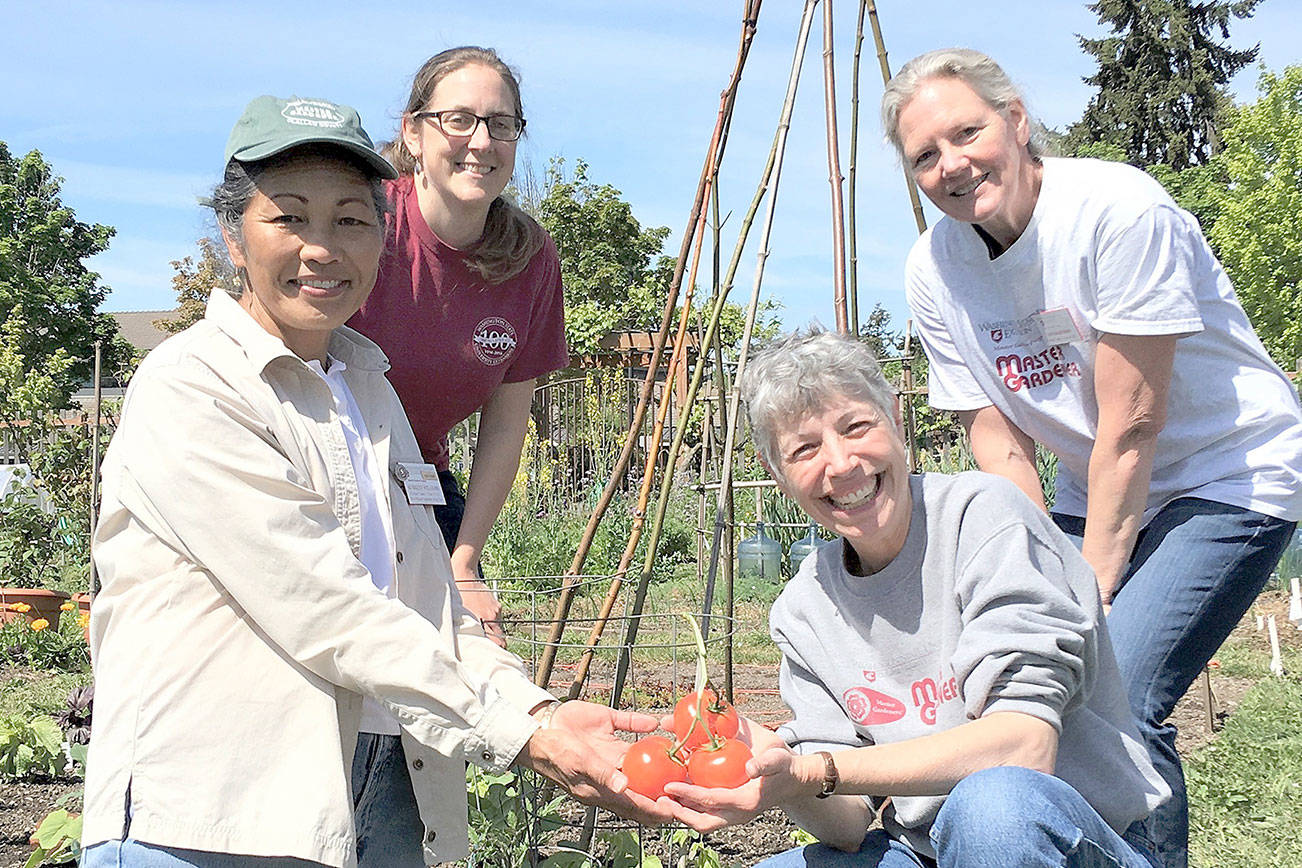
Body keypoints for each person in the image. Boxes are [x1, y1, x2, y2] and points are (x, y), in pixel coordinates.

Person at [81, 95, 671, 868]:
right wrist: (523, 735)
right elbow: (320, 601)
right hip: (209, 813)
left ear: (382, 239)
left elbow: (427, 600)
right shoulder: (192, 386)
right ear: (232, 236)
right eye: (288, 217)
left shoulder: (368, 387)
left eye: (351, 221)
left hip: (366, 790)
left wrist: (537, 706)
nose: (321, 248)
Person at [882, 47, 1302, 867]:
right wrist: (1039, 573)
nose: (952, 165)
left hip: (1228, 470)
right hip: (1092, 476)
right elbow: (997, 436)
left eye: (967, 132)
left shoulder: (1114, 208)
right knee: (1033, 677)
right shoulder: (935, 267)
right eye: (925, 155)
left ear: (1016, 120)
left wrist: (1085, 590)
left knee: (1120, 692)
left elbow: (1134, 422)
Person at [664, 329, 1169, 867]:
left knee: (992, 810)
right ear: (777, 476)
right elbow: (851, 824)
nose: (840, 464)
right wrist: (777, 773)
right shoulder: (804, 609)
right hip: (926, 852)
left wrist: (821, 771)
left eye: (856, 426)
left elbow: (1023, 748)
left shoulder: (985, 519)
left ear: (897, 422)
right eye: (804, 449)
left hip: (1064, 837)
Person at [349, 46, 568, 645]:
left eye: (501, 124)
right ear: (413, 134)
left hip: (422, 482)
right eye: (459, 119)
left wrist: (464, 562)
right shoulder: (365, 228)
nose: (481, 140)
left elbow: (506, 423)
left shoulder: (529, 260)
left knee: (466, 660)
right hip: (327, 478)